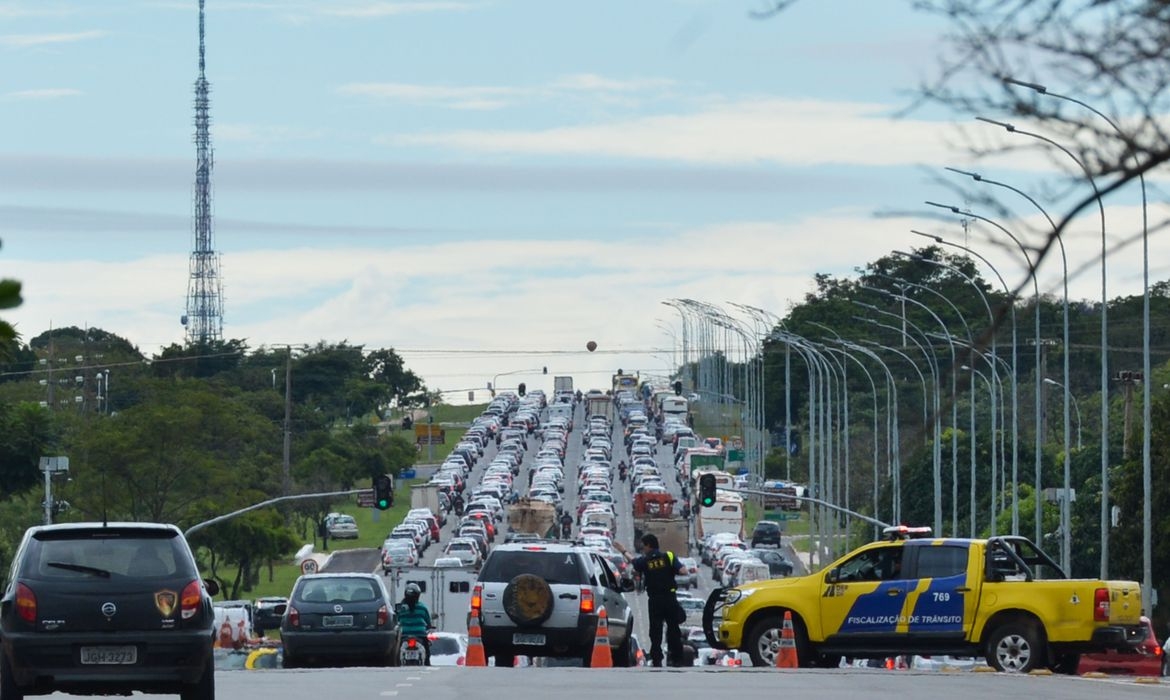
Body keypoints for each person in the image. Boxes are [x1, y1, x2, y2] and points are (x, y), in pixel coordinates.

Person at [615, 533, 686, 668]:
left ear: (648, 545)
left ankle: (657, 659)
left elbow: (634, 561)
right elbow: (683, 571)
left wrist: (623, 550)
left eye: (644, 547)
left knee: (655, 630)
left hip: (655, 600)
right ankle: (677, 658)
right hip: (670, 598)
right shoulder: (669, 556)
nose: (643, 549)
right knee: (673, 629)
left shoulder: (645, 561)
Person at [396, 583, 432, 664]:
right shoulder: (422, 607)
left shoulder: (401, 608)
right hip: (420, 635)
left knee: (396, 652)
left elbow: (397, 620)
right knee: (427, 653)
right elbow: (428, 622)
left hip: (404, 635)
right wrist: (429, 626)